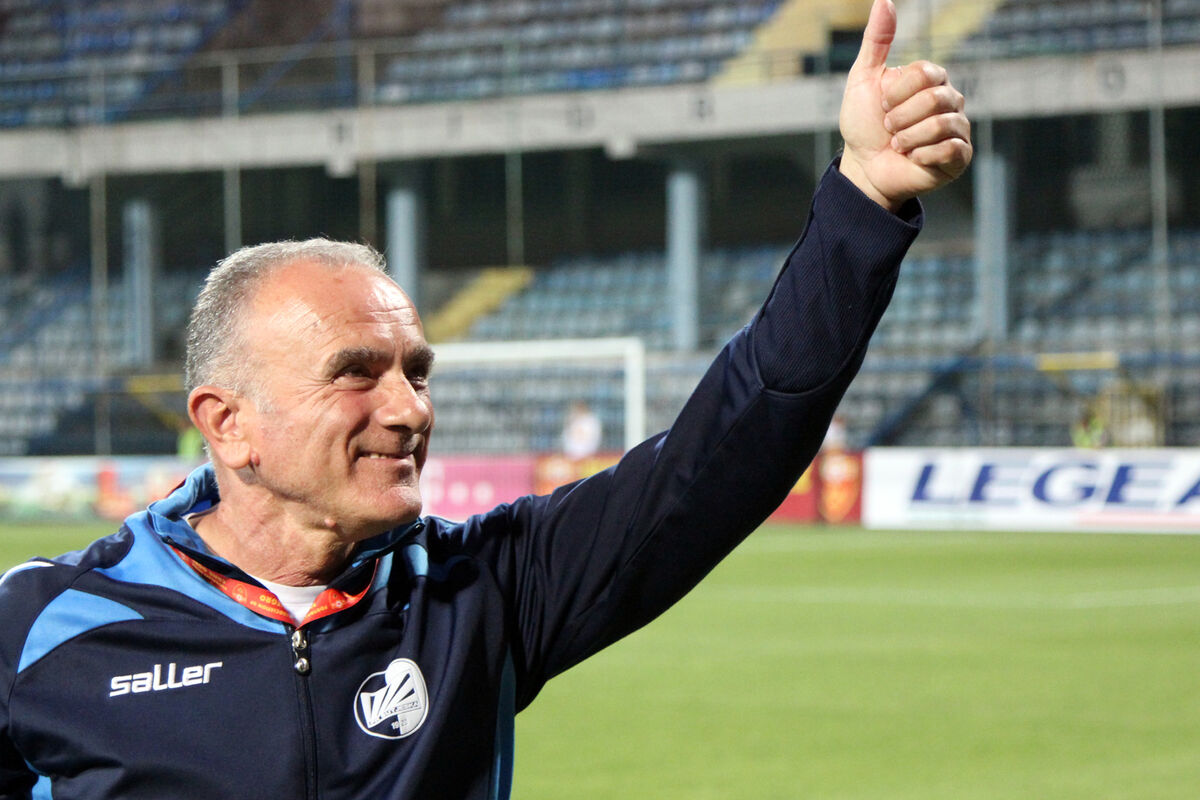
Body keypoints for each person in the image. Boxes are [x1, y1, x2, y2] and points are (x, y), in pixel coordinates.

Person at [0, 1, 971, 797]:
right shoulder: (41, 626)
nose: (409, 409)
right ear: (229, 423)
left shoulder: (481, 589)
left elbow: (731, 446)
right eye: (356, 372)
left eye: (416, 371)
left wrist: (864, 197)